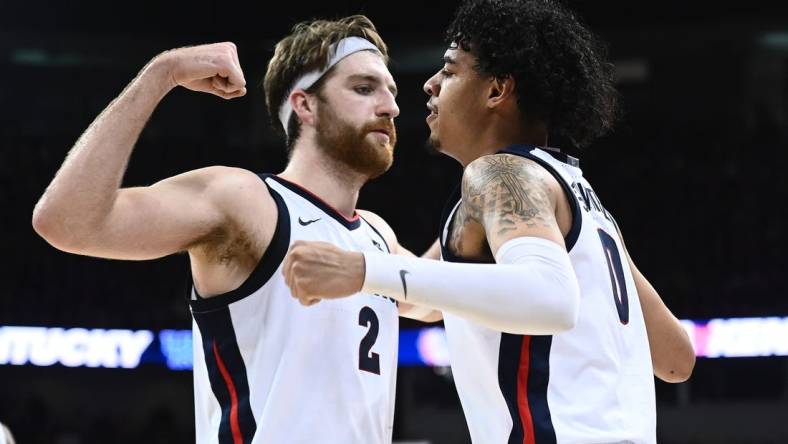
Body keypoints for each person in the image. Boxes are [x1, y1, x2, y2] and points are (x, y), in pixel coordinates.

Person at [282, 1, 696, 442]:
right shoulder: (584, 201)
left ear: (497, 90)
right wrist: (368, 248)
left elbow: (551, 298)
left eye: (451, 71)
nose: (430, 84)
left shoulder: (498, 174)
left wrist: (365, 270)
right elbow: (676, 358)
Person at [32, 15, 432, 444]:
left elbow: (437, 303)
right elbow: (66, 221)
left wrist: (482, 175)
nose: (391, 107)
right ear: (305, 105)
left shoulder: (377, 236)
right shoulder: (247, 201)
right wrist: (160, 74)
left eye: (390, 91)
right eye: (364, 88)